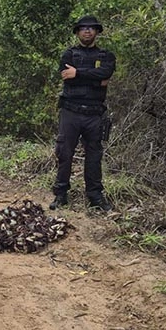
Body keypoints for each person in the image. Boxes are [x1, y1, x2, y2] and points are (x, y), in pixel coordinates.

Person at [49, 15, 116, 212]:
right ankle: (61, 194)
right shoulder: (68, 54)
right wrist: (95, 79)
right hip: (71, 111)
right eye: (83, 28)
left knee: (94, 156)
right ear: (77, 32)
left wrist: (78, 73)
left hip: (95, 113)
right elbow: (67, 77)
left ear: (97, 32)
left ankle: (95, 197)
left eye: (91, 28)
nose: (87, 31)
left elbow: (105, 74)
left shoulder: (106, 56)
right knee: (64, 153)